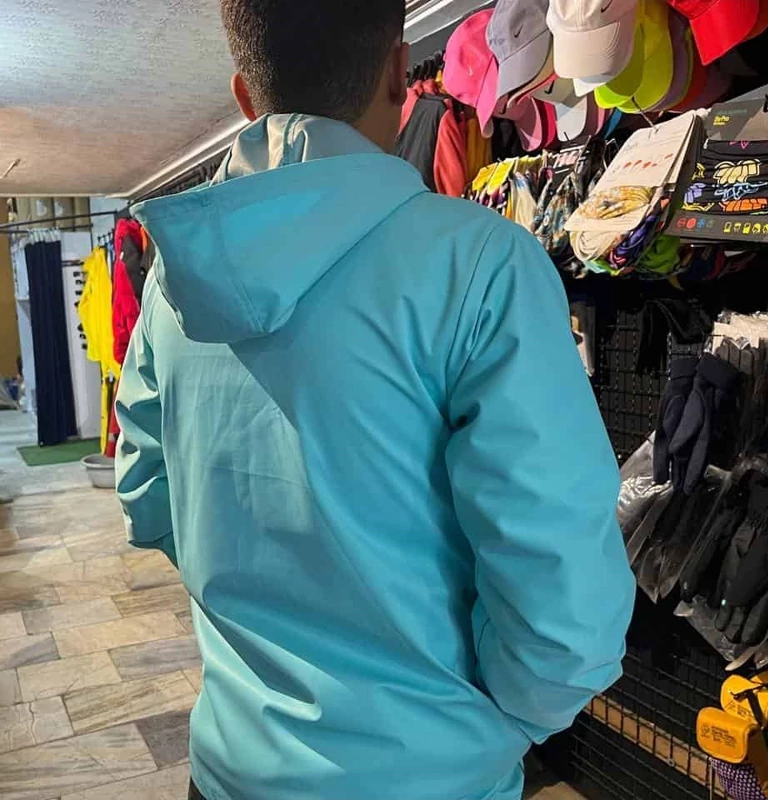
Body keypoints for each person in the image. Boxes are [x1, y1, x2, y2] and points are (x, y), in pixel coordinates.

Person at [114, 1, 636, 798]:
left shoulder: (173, 285)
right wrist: (494, 727)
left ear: (245, 95)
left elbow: (147, 497)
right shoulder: (480, 266)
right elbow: (561, 594)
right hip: (427, 774)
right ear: (399, 71)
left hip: (232, 766)